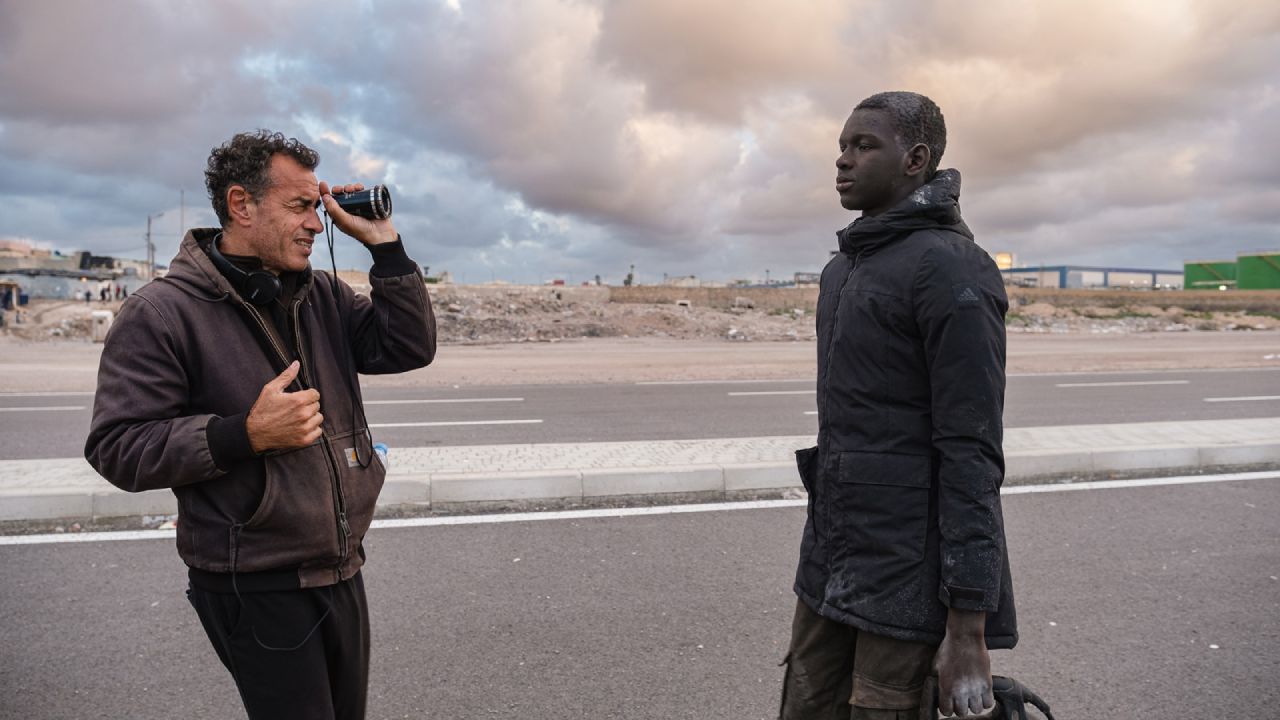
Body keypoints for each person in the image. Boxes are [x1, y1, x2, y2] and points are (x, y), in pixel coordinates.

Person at [85, 130, 437, 719]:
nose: (317, 224)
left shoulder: (321, 294)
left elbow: (407, 347)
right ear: (241, 205)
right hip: (255, 580)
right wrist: (242, 435)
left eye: (316, 207)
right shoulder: (161, 313)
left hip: (341, 565)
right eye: (300, 207)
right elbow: (117, 447)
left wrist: (385, 247)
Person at [780, 91, 1016, 719]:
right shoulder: (843, 268)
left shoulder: (951, 268)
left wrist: (967, 628)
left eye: (863, 146)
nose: (842, 161)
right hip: (830, 559)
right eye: (841, 146)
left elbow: (972, 453)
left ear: (915, 159)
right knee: (804, 702)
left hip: (909, 577)